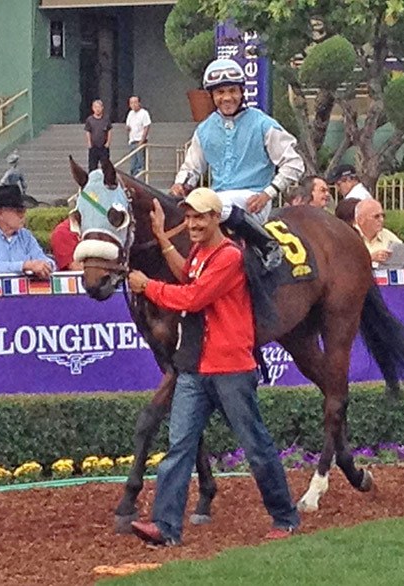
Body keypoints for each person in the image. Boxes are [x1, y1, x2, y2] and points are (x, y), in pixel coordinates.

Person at [126, 188, 300, 546]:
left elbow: (193, 296)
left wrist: (148, 287)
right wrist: (161, 238)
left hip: (230, 368)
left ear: (215, 219)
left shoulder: (229, 257)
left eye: (199, 217)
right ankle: (166, 525)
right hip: (195, 366)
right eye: (188, 217)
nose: (191, 223)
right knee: (179, 447)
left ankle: (284, 516)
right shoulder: (204, 254)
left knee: (255, 445)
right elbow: (187, 275)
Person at [170, 58, 305, 270]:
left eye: (232, 91)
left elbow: (294, 163)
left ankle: (268, 245)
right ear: (212, 96)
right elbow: (191, 168)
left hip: (254, 201)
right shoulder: (204, 130)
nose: (227, 98)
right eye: (220, 92)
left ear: (242, 92)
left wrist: (268, 193)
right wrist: (181, 184)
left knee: (214, 203)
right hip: (217, 206)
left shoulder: (263, 124)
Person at [0, 184, 56, 276]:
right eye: (18, 211)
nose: (23, 215)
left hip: (22, 290)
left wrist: (46, 265)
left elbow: (41, 258)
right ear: (0, 213)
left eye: (24, 211)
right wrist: (24, 265)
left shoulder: (26, 236)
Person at [125, 95, 151, 176]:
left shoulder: (144, 113)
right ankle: (133, 176)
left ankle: (140, 178)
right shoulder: (130, 113)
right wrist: (127, 128)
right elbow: (128, 125)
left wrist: (142, 140)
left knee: (140, 162)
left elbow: (146, 126)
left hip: (140, 141)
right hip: (132, 141)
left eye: (135, 102)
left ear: (139, 103)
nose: (133, 104)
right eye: (131, 103)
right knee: (133, 162)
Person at [84, 99, 112, 172]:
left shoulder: (106, 119)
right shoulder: (89, 120)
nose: (97, 109)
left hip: (104, 146)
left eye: (99, 107)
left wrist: (108, 143)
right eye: (95, 107)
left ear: (102, 108)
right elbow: (88, 131)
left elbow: (109, 130)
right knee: (92, 167)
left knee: (106, 166)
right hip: (94, 147)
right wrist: (89, 143)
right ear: (93, 108)